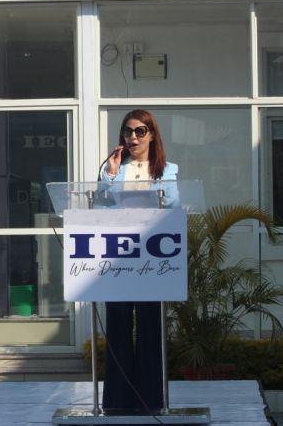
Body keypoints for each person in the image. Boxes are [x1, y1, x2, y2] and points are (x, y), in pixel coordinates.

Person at [99, 109, 177, 411]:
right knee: (117, 326)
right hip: (119, 257)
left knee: (149, 328)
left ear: (152, 135)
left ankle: (149, 400)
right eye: (127, 131)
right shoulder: (112, 170)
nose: (132, 137)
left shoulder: (167, 171)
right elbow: (100, 208)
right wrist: (110, 176)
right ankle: (117, 401)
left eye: (140, 131)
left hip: (152, 258)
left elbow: (174, 208)